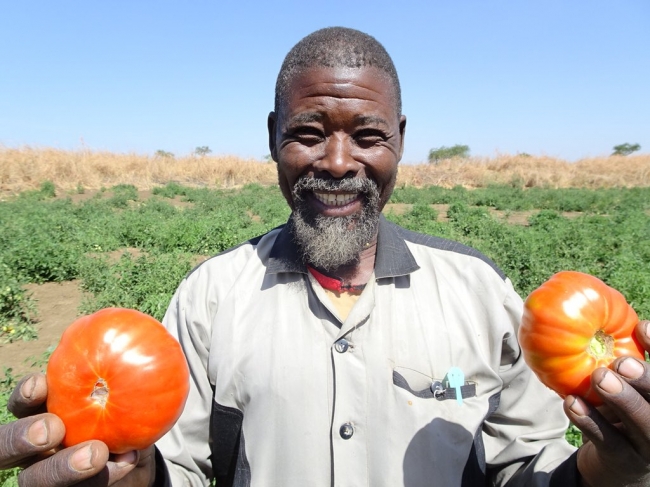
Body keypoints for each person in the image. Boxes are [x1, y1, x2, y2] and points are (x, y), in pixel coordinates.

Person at [1, 26, 650, 487]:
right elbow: (179, 468)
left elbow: (525, 468)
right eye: (308, 133)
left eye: (367, 136)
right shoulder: (209, 299)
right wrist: (131, 476)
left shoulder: (482, 294)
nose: (338, 163)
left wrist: (611, 469)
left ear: (399, 142)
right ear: (272, 138)